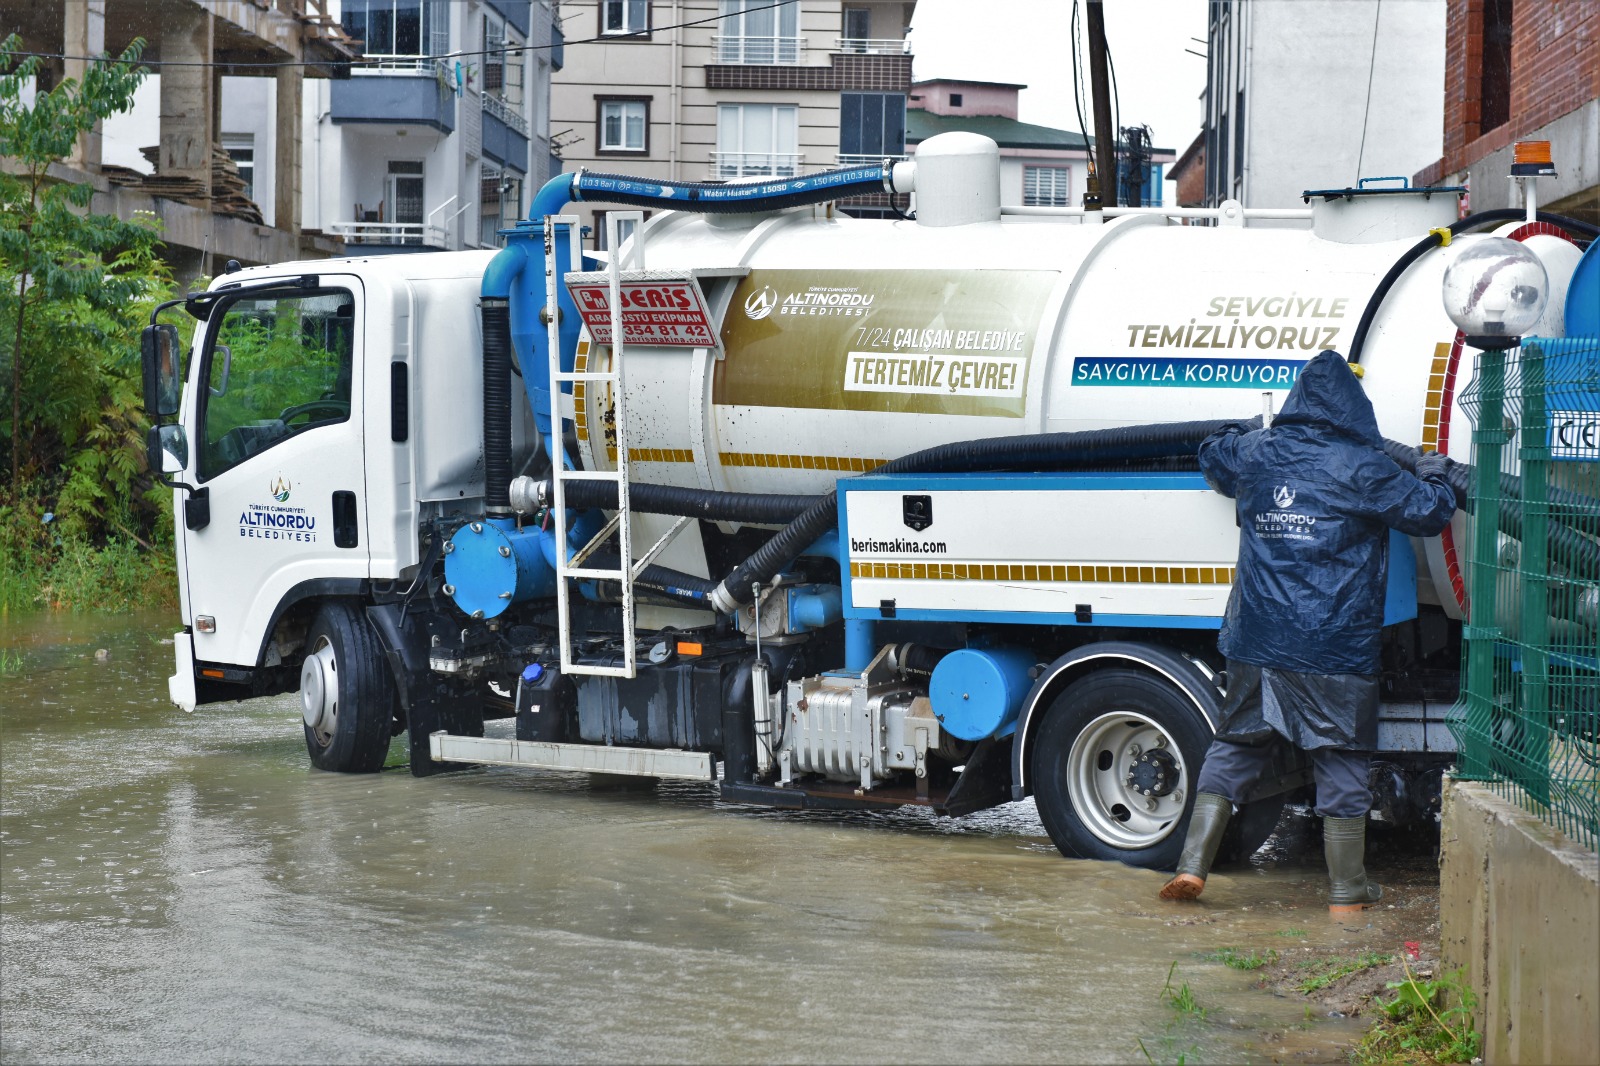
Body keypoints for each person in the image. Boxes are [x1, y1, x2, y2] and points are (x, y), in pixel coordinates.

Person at [1158, 350, 1458, 917]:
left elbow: (1212, 453)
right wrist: (1435, 469)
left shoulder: (1258, 453)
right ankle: (1347, 893)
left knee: (1236, 746)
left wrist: (1239, 429)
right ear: (1354, 409)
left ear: (1297, 401)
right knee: (1339, 755)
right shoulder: (1364, 466)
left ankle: (1191, 868)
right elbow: (1430, 512)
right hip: (1332, 642)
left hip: (1256, 637)